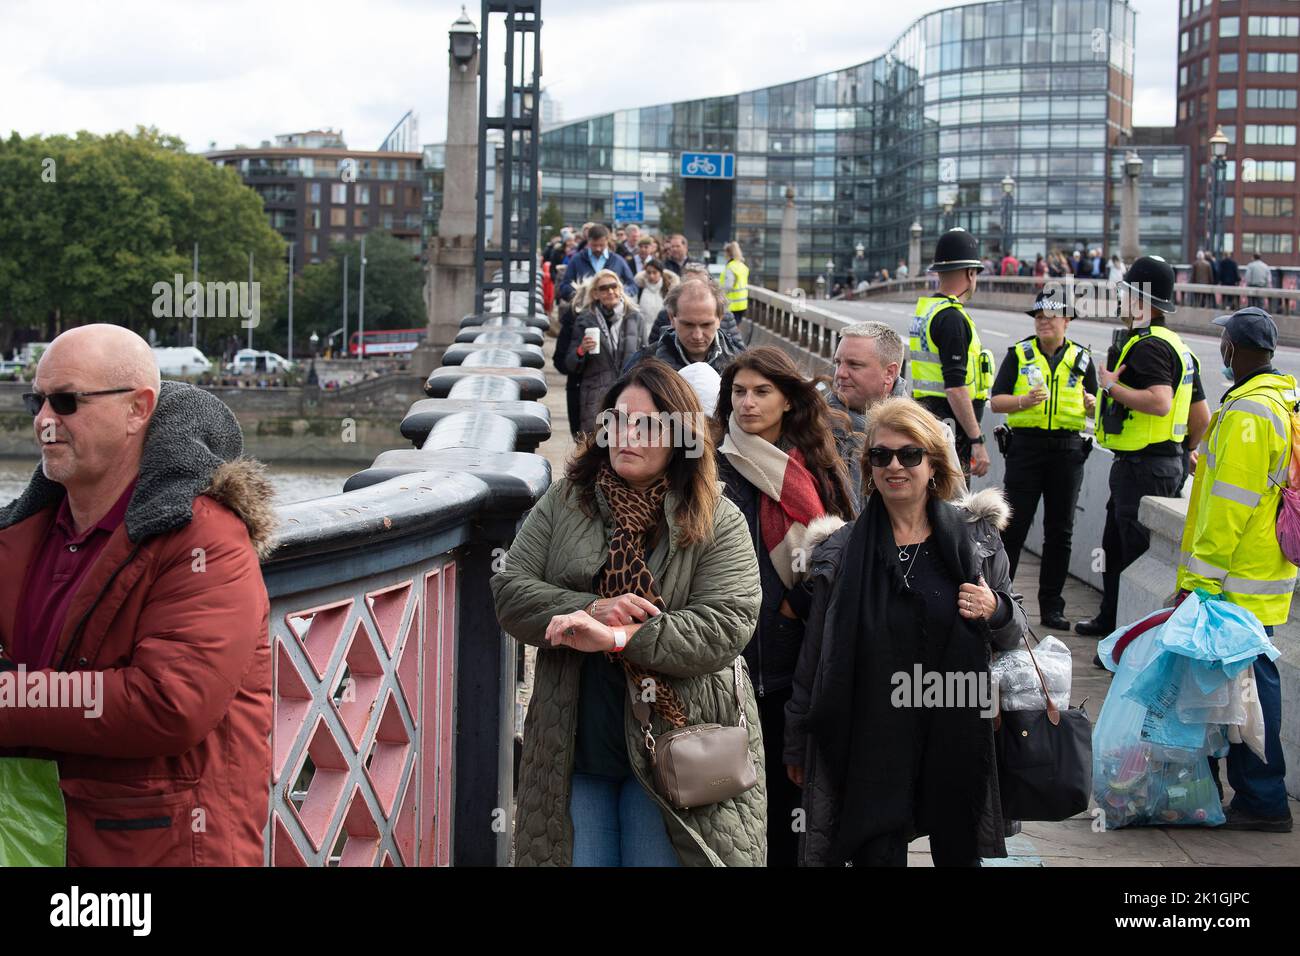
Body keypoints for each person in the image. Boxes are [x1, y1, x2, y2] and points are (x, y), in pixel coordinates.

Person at [0, 324, 274, 866]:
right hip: (40, 836)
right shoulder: (28, 532)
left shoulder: (205, 537)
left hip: (163, 846)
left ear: (137, 409)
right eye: (38, 400)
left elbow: (168, 704)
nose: (44, 421)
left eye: (67, 401)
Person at [491, 360, 765, 866]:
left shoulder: (718, 518)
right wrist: (590, 608)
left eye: (646, 424)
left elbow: (727, 624)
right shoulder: (565, 501)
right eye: (617, 421)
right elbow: (509, 592)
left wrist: (620, 638)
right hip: (576, 744)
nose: (626, 435)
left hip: (676, 747)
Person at [785, 397, 1028, 866]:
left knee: (959, 849)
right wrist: (798, 738)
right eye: (881, 456)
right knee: (876, 852)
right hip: (871, 739)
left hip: (955, 729)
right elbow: (814, 656)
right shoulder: (840, 550)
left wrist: (994, 608)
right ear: (868, 466)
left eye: (909, 454)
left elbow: (1013, 633)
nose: (894, 466)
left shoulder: (976, 540)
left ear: (933, 464)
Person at [712, 347, 854, 867]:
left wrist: (797, 603)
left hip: (800, 660)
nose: (747, 403)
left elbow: (842, 548)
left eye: (761, 392)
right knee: (732, 805)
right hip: (730, 661)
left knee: (794, 800)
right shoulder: (711, 467)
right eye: (739, 392)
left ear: (789, 401)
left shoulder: (815, 465)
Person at [1177, 306, 1296, 832]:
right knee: (1242, 691)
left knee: (1247, 693)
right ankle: (1250, 795)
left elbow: (1230, 504)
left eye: (1225, 340)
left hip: (1234, 581)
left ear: (1238, 350)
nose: (1220, 348)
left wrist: (1199, 580)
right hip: (1261, 573)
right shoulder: (1281, 401)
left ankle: (1265, 800)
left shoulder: (1249, 414)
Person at [1077, 255, 1211, 639]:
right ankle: (1110, 621)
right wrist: (1181, 448)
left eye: (1126, 293)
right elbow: (1199, 415)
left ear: (1142, 299)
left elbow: (1160, 401)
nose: (1121, 301)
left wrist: (1110, 386)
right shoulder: (1177, 346)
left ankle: (1127, 639)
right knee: (1114, 546)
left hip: (1144, 468)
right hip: (1157, 464)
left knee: (1131, 555)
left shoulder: (1149, 346)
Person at [989, 289, 1098, 631]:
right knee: (1013, 527)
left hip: (1067, 451)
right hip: (1026, 448)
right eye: (1039, 317)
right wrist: (1023, 401)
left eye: (1051, 317)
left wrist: (1093, 404)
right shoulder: (1020, 353)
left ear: (1067, 321)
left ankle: (1052, 607)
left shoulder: (1082, 358)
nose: (1044, 323)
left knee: (1060, 531)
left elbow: (1094, 402)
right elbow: (996, 402)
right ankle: (1002, 598)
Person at [908, 227, 992, 478]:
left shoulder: (928, 310)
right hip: (951, 431)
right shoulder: (952, 318)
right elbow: (955, 387)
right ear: (970, 273)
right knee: (953, 505)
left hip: (928, 419)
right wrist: (977, 440)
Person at [828, 322, 907, 509]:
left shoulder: (928, 434)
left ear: (889, 373)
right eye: (838, 363)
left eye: (854, 365)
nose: (840, 373)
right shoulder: (808, 426)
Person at [563, 270, 645, 435]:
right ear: (595, 294)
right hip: (595, 396)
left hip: (629, 391)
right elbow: (570, 364)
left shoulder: (635, 318)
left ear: (620, 289)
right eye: (604, 288)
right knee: (597, 448)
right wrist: (581, 350)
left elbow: (645, 356)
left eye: (614, 286)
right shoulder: (585, 319)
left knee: (627, 442)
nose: (610, 291)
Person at [626, 278, 741, 374]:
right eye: (688, 325)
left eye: (706, 325)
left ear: (719, 319)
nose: (697, 336)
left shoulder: (740, 363)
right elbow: (619, 401)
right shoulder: (642, 364)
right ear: (672, 319)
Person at [558, 224, 638, 303]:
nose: (598, 249)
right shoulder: (577, 260)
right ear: (588, 241)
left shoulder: (618, 260)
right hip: (584, 310)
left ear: (607, 241)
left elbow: (632, 285)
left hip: (613, 310)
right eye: (594, 245)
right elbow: (565, 285)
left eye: (601, 245)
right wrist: (577, 295)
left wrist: (620, 294)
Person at [633, 258, 677, 348]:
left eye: (654, 272)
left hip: (661, 335)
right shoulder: (640, 289)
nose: (651, 276)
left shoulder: (668, 291)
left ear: (660, 273)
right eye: (648, 273)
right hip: (642, 335)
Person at [721, 240, 750, 327]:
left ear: (728, 253)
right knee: (736, 328)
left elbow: (728, 286)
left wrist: (719, 293)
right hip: (742, 303)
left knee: (729, 329)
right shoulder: (742, 266)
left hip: (732, 304)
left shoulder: (731, 267)